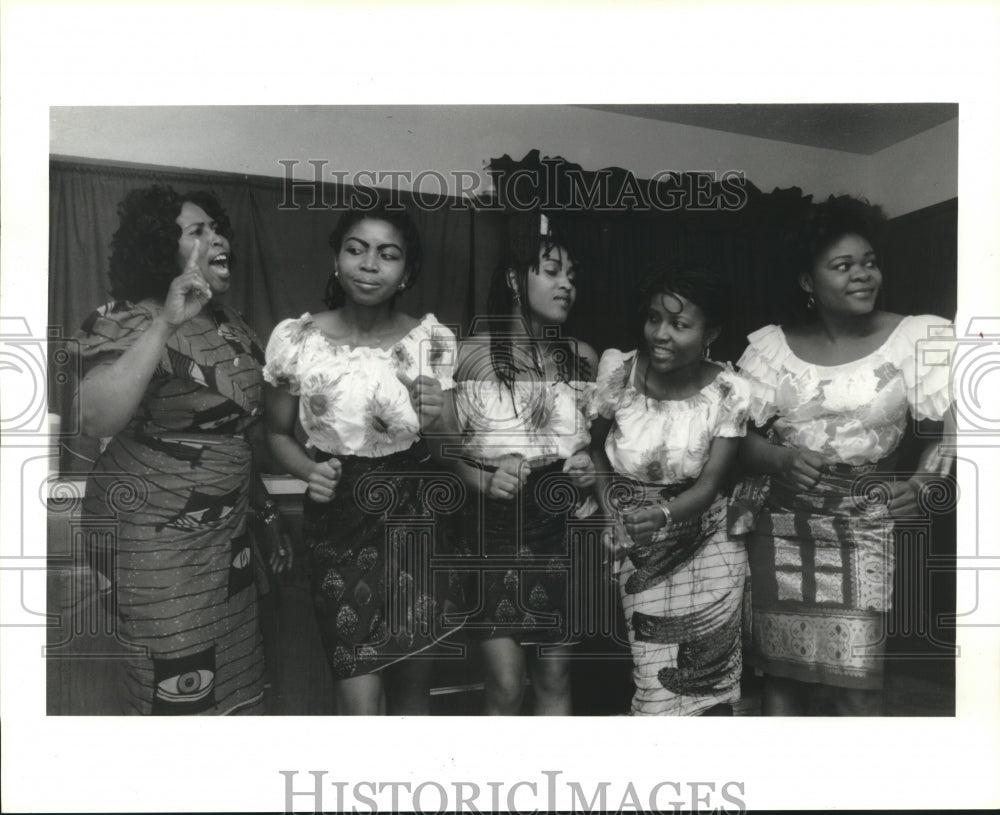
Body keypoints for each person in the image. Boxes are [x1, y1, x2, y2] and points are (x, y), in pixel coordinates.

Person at [77, 185, 290, 715]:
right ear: (160, 251)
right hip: (150, 536)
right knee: (172, 683)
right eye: (198, 231)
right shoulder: (122, 318)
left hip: (226, 538)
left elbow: (237, 433)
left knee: (234, 686)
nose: (217, 239)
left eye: (217, 229)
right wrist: (166, 321)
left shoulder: (234, 326)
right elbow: (94, 416)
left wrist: (264, 513)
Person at [736, 195, 953, 715]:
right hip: (780, 521)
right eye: (843, 265)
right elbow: (728, 432)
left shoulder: (917, 335)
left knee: (856, 684)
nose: (863, 275)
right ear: (808, 282)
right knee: (781, 677)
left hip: (864, 521)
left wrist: (926, 486)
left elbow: (965, 426)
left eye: (870, 262)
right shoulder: (771, 347)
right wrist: (774, 458)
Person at [263, 203, 460, 715]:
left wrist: (438, 414)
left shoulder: (429, 342)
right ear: (337, 260)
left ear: (407, 273)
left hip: (415, 517)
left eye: (387, 255)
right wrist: (309, 471)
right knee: (356, 682)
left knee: (414, 681)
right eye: (356, 249)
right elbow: (274, 434)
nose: (369, 264)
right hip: (339, 521)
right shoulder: (297, 340)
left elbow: (450, 449)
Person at [446, 215, 598, 715]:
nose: (566, 284)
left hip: (564, 528)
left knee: (556, 674)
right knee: (507, 683)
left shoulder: (584, 359)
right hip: (492, 531)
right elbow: (439, 451)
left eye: (572, 275)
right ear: (514, 279)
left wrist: (587, 467)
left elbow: (597, 450)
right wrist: (485, 477)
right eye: (552, 270)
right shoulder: (469, 355)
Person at [590, 265, 750, 716]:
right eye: (654, 318)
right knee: (654, 677)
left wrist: (661, 516)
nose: (660, 334)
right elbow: (595, 449)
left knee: (710, 677)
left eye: (679, 324)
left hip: (710, 545)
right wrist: (611, 514)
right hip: (639, 543)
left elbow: (711, 484)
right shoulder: (619, 372)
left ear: (710, 332)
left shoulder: (730, 391)